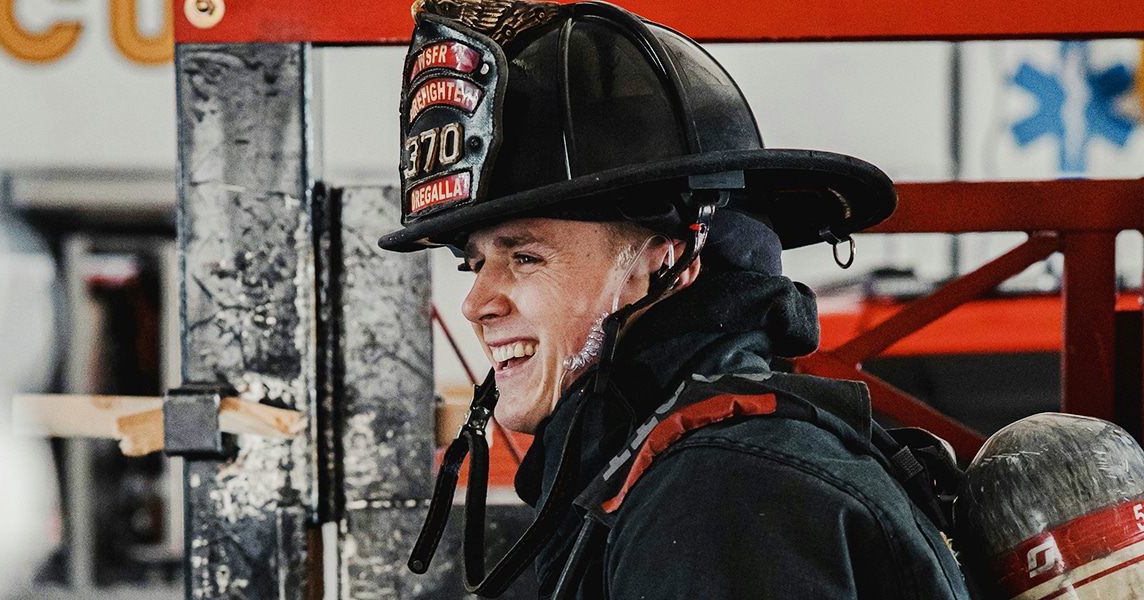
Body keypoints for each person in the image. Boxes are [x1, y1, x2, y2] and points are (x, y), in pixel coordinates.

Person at [380, 0, 972, 597]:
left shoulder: (723, 492)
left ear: (668, 259)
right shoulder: (672, 473)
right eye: (475, 264)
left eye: (525, 257)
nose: (476, 304)